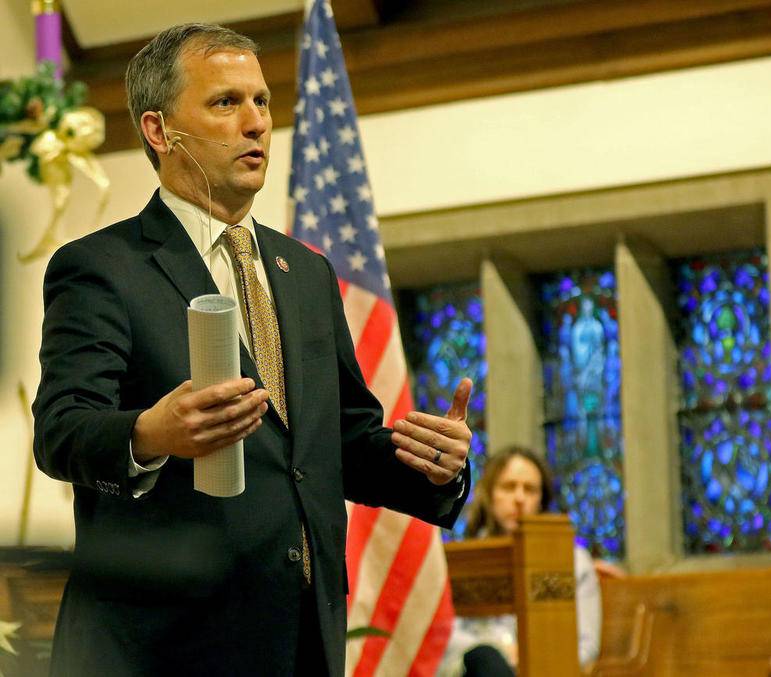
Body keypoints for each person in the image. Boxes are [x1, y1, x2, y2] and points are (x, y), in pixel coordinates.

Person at [32, 23, 472, 677]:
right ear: (159, 130)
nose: (256, 123)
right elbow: (62, 434)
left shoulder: (306, 272)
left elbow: (339, 443)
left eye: (262, 102)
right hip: (164, 647)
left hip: (301, 637)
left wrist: (431, 467)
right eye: (225, 103)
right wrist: (150, 433)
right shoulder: (103, 267)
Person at [439, 447, 601, 676]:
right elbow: (448, 632)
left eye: (530, 489)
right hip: (479, 667)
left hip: (548, 668)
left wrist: (533, 657)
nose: (519, 498)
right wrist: (499, 651)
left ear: (542, 499)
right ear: (490, 495)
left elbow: (587, 645)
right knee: (485, 658)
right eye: (508, 487)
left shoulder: (573, 560)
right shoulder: (468, 557)